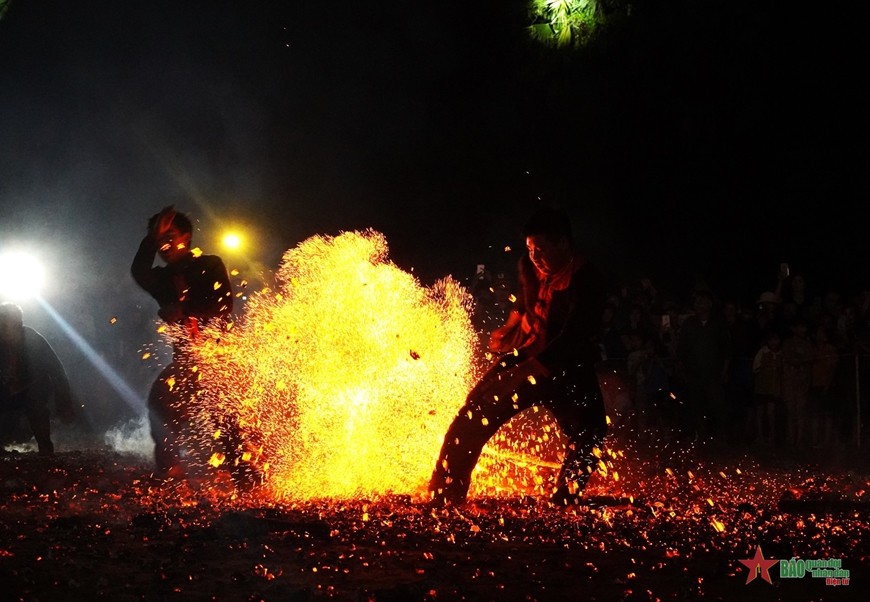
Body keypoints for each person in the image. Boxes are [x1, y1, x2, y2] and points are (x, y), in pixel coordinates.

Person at [429, 207, 608, 507]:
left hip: (566, 367)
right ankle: (445, 492)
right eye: (530, 249)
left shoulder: (588, 280)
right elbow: (526, 301)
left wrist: (519, 373)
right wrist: (511, 327)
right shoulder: (529, 265)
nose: (535, 256)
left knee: (591, 430)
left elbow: (573, 337)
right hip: (529, 352)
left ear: (563, 243)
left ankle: (566, 497)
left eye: (541, 249)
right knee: (474, 412)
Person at [131, 206, 254, 487]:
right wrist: (152, 238)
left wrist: (184, 309)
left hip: (217, 354)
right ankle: (169, 471)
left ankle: (245, 475)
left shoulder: (209, 264)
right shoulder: (161, 279)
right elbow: (139, 271)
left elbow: (222, 305)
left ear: (186, 237)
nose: (165, 244)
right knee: (160, 405)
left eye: (170, 236)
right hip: (186, 358)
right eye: (159, 239)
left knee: (224, 417)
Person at [0, 303, 75, 455]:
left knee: (36, 404)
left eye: (6, 326)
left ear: (18, 325)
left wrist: (64, 402)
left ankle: (45, 446)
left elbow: (57, 370)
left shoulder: (34, 340)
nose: (3, 331)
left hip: (31, 387)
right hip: (5, 389)